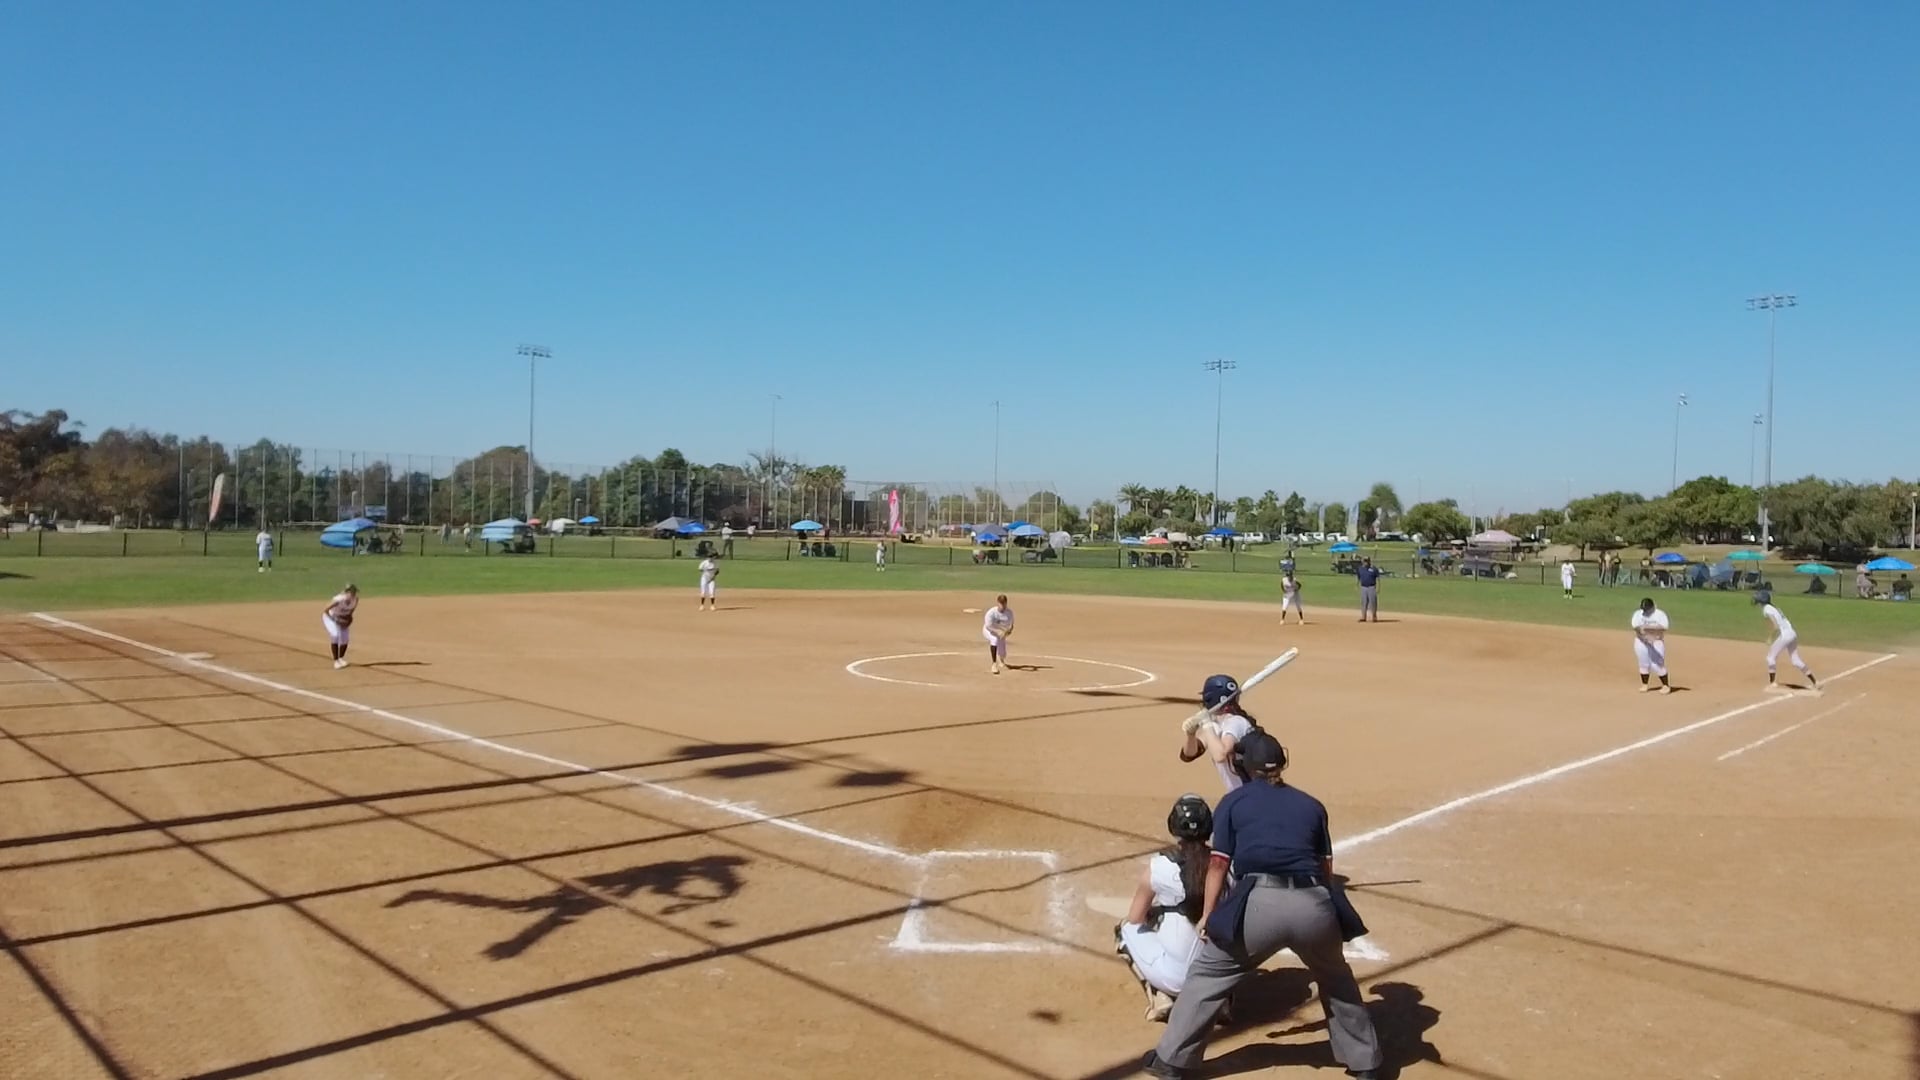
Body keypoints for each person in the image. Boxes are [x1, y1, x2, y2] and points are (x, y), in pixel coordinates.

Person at [1141, 731, 1382, 1080]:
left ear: (1244, 765)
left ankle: (1172, 1061)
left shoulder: (1234, 802)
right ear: (1282, 763)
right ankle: (1366, 1063)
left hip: (1259, 907)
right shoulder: (1312, 805)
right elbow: (1326, 869)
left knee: (1208, 975)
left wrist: (1209, 915)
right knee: (1336, 979)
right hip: (1313, 905)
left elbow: (1218, 865)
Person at [1115, 794, 1213, 1021]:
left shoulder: (1160, 866)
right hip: (1214, 976)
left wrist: (1158, 914)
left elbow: (1135, 917)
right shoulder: (1225, 866)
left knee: (1124, 929)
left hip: (1174, 980)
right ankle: (1223, 999)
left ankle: (1161, 996)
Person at [1179, 674, 1262, 792]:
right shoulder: (1216, 726)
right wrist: (1190, 735)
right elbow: (1189, 755)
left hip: (1253, 792)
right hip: (1241, 793)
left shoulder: (1236, 722)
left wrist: (1206, 724)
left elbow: (1220, 755)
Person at [1755, 590, 1817, 689]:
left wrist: (1770, 638)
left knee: (1770, 658)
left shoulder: (1766, 609)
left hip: (1785, 636)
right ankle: (1815, 682)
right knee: (1795, 660)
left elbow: (1775, 626)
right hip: (1792, 634)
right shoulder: (1774, 607)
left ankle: (1772, 683)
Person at [1632, 598, 1672, 694]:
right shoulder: (1638, 614)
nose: (1645, 611)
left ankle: (1666, 685)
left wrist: (1649, 631)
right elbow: (1636, 627)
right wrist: (1644, 637)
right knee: (1643, 663)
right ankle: (1644, 685)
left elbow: (1664, 627)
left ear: (1652, 607)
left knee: (1657, 663)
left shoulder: (1660, 614)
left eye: (1647, 609)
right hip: (1641, 641)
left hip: (1656, 641)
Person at [322, 584, 359, 670]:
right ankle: (336, 661)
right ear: (347, 592)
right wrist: (334, 619)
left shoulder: (355, 599)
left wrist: (347, 620)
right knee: (335, 635)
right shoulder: (339, 599)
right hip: (330, 617)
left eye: (354, 592)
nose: (353, 594)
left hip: (342, 620)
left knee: (345, 639)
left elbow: (350, 611)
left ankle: (341, 659)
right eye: (352, 592)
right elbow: (326, 609)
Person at [982, 594, 1015, 674]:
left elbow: (1010, 626)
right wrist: (998, 632)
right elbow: (988, 626)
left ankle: (1001, 660)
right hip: (988, 630)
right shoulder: (991, 612)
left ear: (1006, 603)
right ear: (998, 603)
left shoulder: (1009, 613)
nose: (1002, 605)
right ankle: (994, 664)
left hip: (1001, 632)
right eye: (1001, 603)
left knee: (1003, 654)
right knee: (994, 639)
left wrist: (1007, 632)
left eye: (1004, 603)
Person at [1355, 557, 1382, 622]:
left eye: (1367, 561)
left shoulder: (1373, 568)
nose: (1365, 562)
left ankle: (1374, 617)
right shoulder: (1360, 568)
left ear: (1369, 561)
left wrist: (1378, 587)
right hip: (1363, 587)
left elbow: (1378, 578)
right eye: (1364, 561)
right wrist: (1356, 585)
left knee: (1373, 602)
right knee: (1363, 602)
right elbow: (1358, 577)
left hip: (1371, 587)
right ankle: (1363, 617)